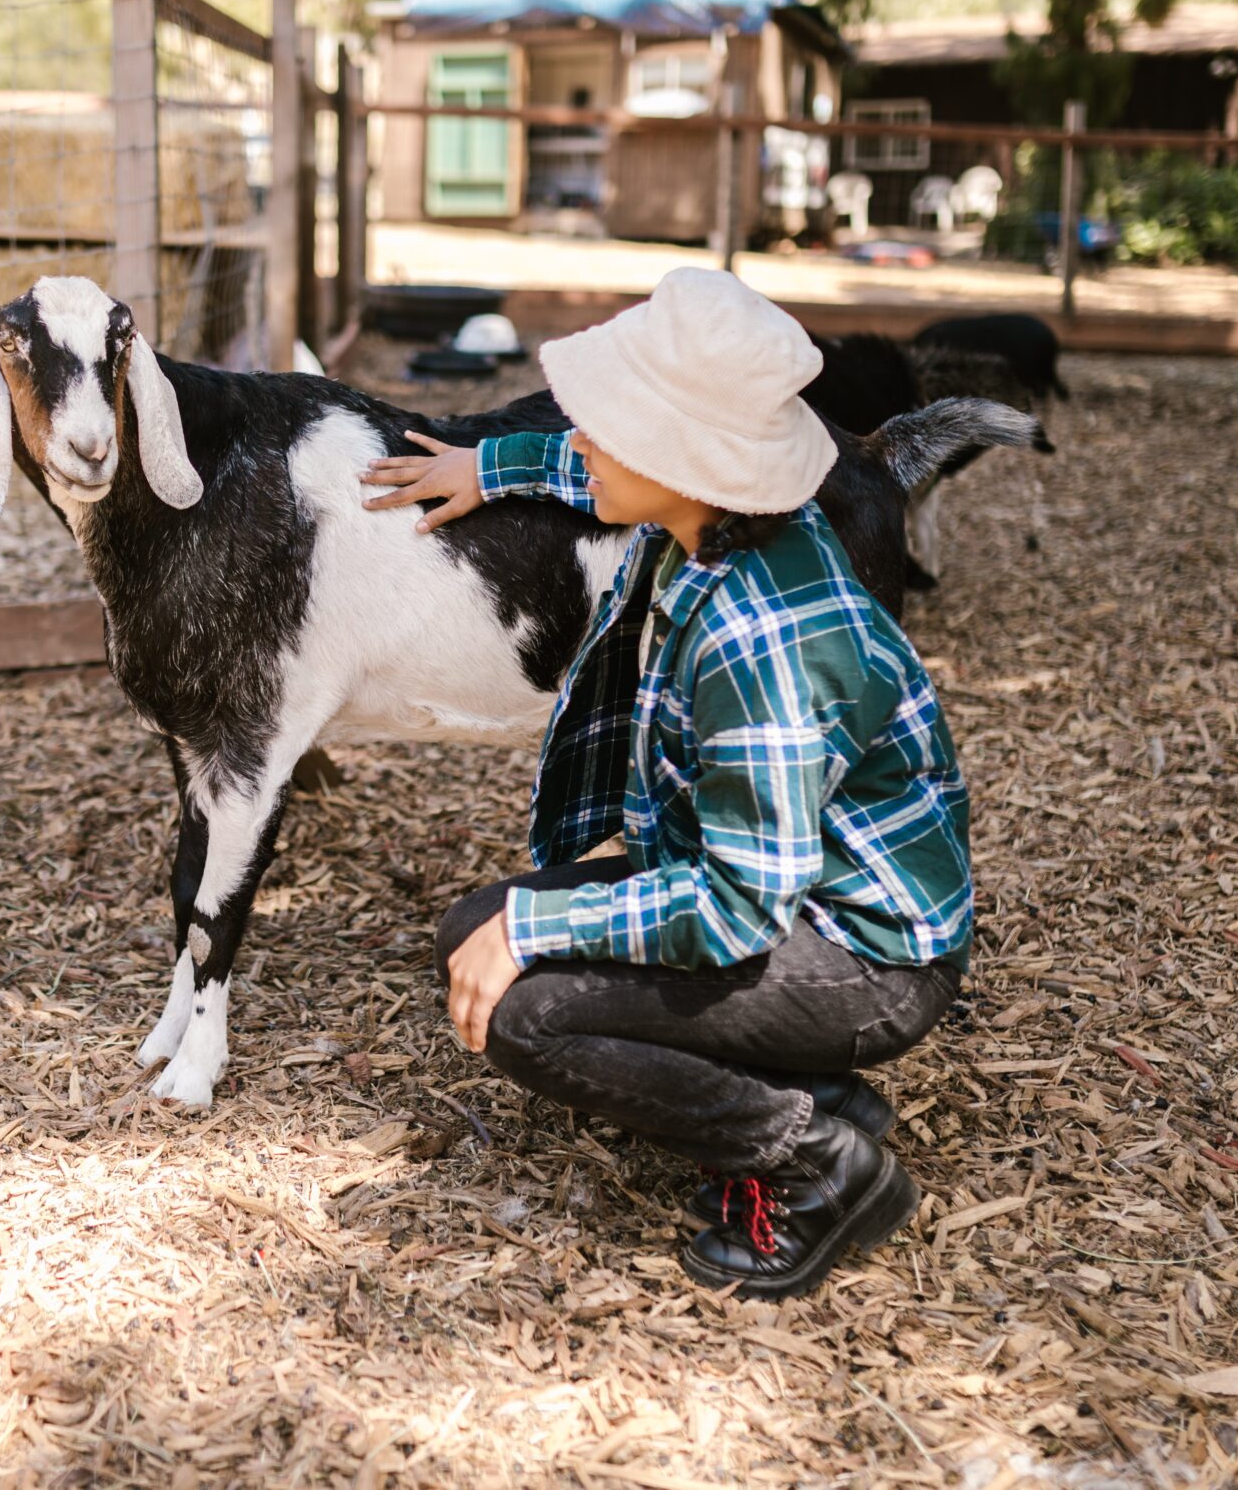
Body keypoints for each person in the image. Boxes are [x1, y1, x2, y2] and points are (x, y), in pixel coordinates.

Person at [357, 268, 972, 1301]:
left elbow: (732, 913)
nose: (583, 439)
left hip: (860, 953)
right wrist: (491, 463)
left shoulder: (765, 644)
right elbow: (598, 467)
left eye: (607, 428)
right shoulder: (712, 516)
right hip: (776, 886)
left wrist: (538, 936)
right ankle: (816, 1092)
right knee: (472, 927)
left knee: (529, 1013)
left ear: (683, 460)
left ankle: (815, 1160)